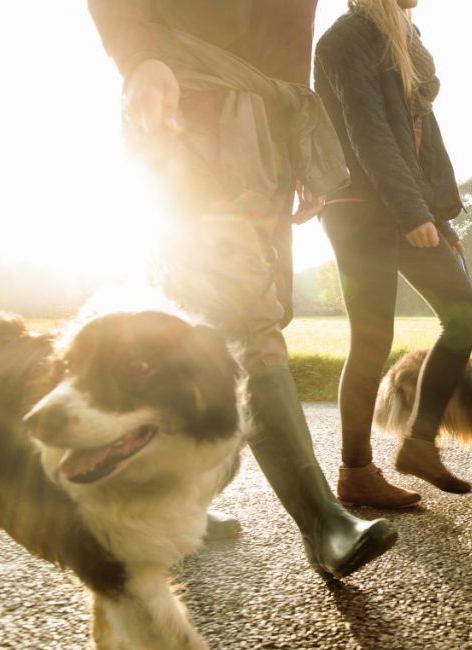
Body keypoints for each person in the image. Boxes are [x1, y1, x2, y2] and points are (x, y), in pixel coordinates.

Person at [87, 0, 398, 579]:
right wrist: (137, 55)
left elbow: (290, 29)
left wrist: (294, 139)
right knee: (244, 317)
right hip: (190, 100)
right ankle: (321, 521)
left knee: (229, 323)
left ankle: (167, 505)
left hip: (267, 124)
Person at [314, 0, 472, 508]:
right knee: (371, 339)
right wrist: (413, 212)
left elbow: (417, 140)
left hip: (405, 203)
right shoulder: (348, 37)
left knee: (464, 318)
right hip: (358, 206)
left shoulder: (407, 42)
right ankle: (356, 472)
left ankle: (418, 444)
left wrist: (438, 215)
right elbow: (368, 130)